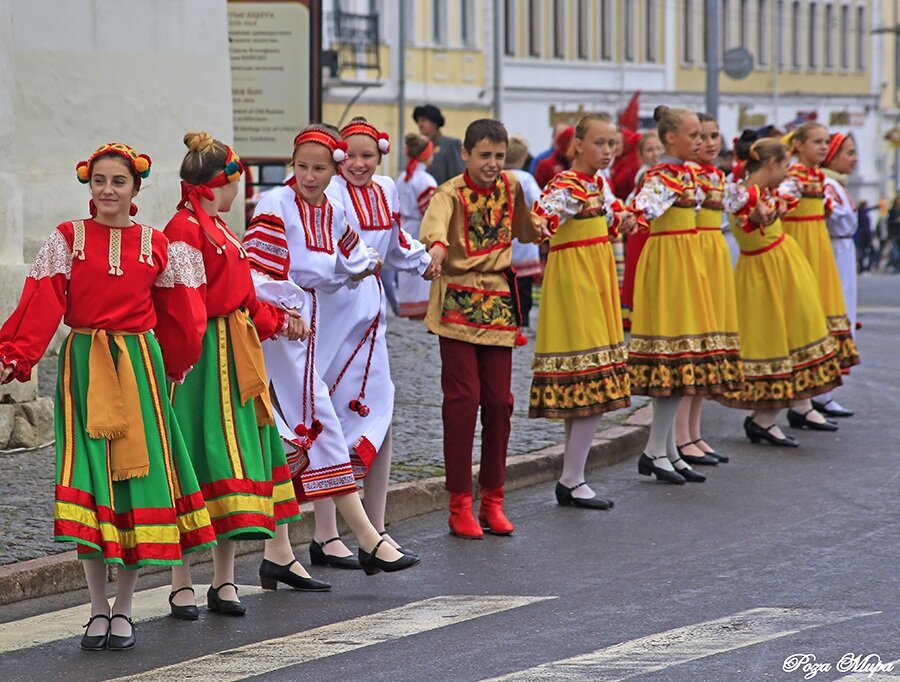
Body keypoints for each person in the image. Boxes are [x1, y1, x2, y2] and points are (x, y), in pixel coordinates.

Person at [0, 143, 216, 650]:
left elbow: (183, 313)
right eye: (99, 180)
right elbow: (40, 301)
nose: (107, 190)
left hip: (139, 367)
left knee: (135, 484)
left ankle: (124, 608)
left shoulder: (157, 244)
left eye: (118, 181)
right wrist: (14, 356)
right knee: (93, 484)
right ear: (88, 185)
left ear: (135, 188)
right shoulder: (66, 240)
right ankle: (96, 609)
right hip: (84, 368)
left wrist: (179, 362)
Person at [158, 132, 323, 620]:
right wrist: (181, 362)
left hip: (233, 354)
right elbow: (184, 306)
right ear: (213, 185)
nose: (240, 192)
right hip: (201, 361)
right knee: (194, 462)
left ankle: (224, 580)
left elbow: (244, 300)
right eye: (235, 182)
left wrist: (279, 322)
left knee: (233, 463)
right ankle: (181, 581)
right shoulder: (184, 230)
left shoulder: (220, 228)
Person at [244, 123, 420, 576]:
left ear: (332, 168)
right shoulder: (275, 203)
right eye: (302, 166)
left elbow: (353, 253)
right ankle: (365, 538)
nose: (309, 176)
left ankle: (279, 552)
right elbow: (256, 274)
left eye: (319, 168)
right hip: (285, 328)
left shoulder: (333, 208)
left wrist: (368, 266)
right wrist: (286, 313)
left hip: (314, 321)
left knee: (295, 433)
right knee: (311, 423)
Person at [316, 117, 434, 562]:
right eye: (353, 155)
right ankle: (326, 533)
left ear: (381, 155)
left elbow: (394, 239)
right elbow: (324, 250)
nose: (360, 164)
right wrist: (356, 266)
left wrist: (421, 260)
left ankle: (376, 527)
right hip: (333, 308)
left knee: (380, 413)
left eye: (370, 155)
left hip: (371, 309)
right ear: (338, 156)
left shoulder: (386, 189)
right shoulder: (327, 191)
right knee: (328, 421)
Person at [419, 118, 544, 538]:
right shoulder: (449, 192)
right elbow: (435, 226)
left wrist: (546, 225)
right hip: (457, 299)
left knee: (499, 402)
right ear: (467, 155)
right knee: (463, 399)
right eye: (484, 155)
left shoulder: (512, 187)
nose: (492, 163)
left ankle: (493, 499)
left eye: (499, 156)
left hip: (499, 304)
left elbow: (528, 227)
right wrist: (436, 248)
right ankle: (459, 503)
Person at [628, 106, 742, 485]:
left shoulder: (687, 174)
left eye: (702, 136)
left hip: (686, 257)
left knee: (682, 357)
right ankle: (656, 450)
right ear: (671, 138)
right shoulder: (662, 175)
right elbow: (643, 208)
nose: (700, 141)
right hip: (669, 261)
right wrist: (626, 215)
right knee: (671, 354)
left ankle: (664, 449)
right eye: (694, 135)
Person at [530, 112, 635, 509]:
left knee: (589, 377)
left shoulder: (596, 183)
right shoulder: (568, 183)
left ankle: (573, 476)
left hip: (595, 278)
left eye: (612, 144)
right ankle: (572, 477)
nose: (607, 151)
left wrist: (622, 217)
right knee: (589, 372)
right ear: (578, 144)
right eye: (600, 143)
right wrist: (540, 223)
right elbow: (544, 213)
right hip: (577, 282)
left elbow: (612, 215)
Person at [721, 139, 843, 445]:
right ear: (771, 164)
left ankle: (766, 417)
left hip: (779, 267)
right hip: (766, 272)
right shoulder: (744, 193)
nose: (788, 172)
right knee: (772, 338)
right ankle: (764, 418)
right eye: (785, 166)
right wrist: (755, 218)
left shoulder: (762, 193)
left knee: (786, 336)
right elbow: (744, 224)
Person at [780, 123, 860, 420]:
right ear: (798, 145)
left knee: (821, 319)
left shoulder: (816, 178)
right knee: (804, 320)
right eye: (817, 142)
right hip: (804, 250)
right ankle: (801, 400)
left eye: (826, 142)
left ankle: (811, 398)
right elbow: (780, 202)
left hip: (822, 251)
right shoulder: (794, 178)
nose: (823, 148)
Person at [673, 113, 738, 466]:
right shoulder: (685, 177)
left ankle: (694, 431)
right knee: (693, 344)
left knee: (707, 345)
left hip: (714, 253)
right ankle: (681, 435)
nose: (710, 143)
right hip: (695, 253)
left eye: (715, 135)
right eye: (702, 136)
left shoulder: (718, 176)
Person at [620, 130, 664, 329]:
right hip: (645, 229)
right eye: (649, 150)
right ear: (641, 154)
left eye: (658, 149)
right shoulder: (647, 175)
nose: (655, 153)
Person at [396, 132, 438, 318]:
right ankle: (423, 308)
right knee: (422, 265)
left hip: (405, 227)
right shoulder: (426, 180)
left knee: (408, 270)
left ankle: (409, 306)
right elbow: (429, 210)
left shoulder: (402, 177)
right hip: (421, 227)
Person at [505, 134, 543, 326]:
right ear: (522, 158)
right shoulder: (526, 178)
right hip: (524, 237)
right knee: (523, 287)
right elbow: (539, 202)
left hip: (503, 237)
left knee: (505, 284)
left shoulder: (499, 176)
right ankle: (523, 320)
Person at [413, 104, 465, 185]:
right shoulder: (420, 146)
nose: (420, 124)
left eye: (423, 120)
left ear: (434, 123)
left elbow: (458, 174)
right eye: (418, 121)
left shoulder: (451, 144)